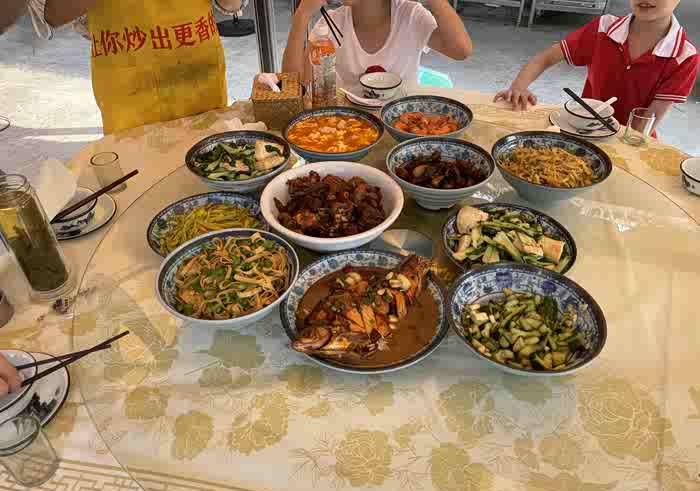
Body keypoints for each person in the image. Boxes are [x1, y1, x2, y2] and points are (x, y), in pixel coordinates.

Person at [27, 0, 244, 134]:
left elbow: (231, 4)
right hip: (130, 86)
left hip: (199, 74)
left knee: (212, 161)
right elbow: (50, 14)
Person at [494, 0, 699, 130]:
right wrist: (519, 86)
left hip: (631, 140)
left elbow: (646, 121)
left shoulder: (685, 56)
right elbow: (545, 58)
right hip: (584, 127)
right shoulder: (603, 28)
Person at [282, 0, 472, 90]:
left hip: (403, 123)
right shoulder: (332, 22)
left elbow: (461, 50)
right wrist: (302, 15)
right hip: (349, 129)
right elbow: (295, 83)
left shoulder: (411, 15)